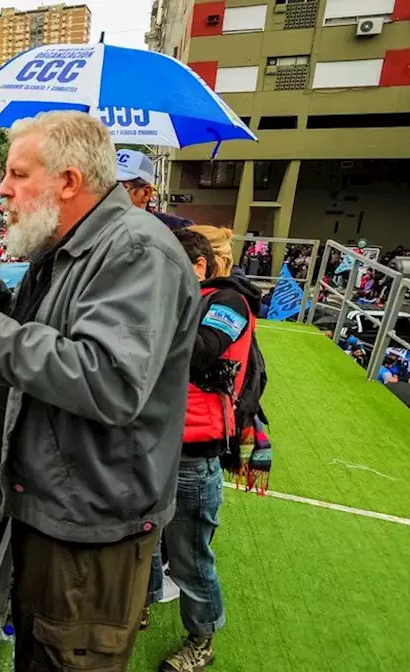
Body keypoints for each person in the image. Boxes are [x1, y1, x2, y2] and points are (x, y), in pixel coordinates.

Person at [0, 111, 199, 671]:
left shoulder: (136, 251)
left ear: (68, 181)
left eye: (17, 174)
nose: (2, 191)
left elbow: (108, 380)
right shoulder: (68, 248)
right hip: (57, 509)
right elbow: (53, 341)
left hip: (92, 528)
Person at [145, 226, 260, 672]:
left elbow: (203, 351)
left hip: (194, 454)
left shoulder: (228, 302)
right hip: (158, 446)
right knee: (146, 540)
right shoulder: (186, 300)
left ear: (197, 266)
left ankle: (201, 639)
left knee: (191, 557)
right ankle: (145, 603)